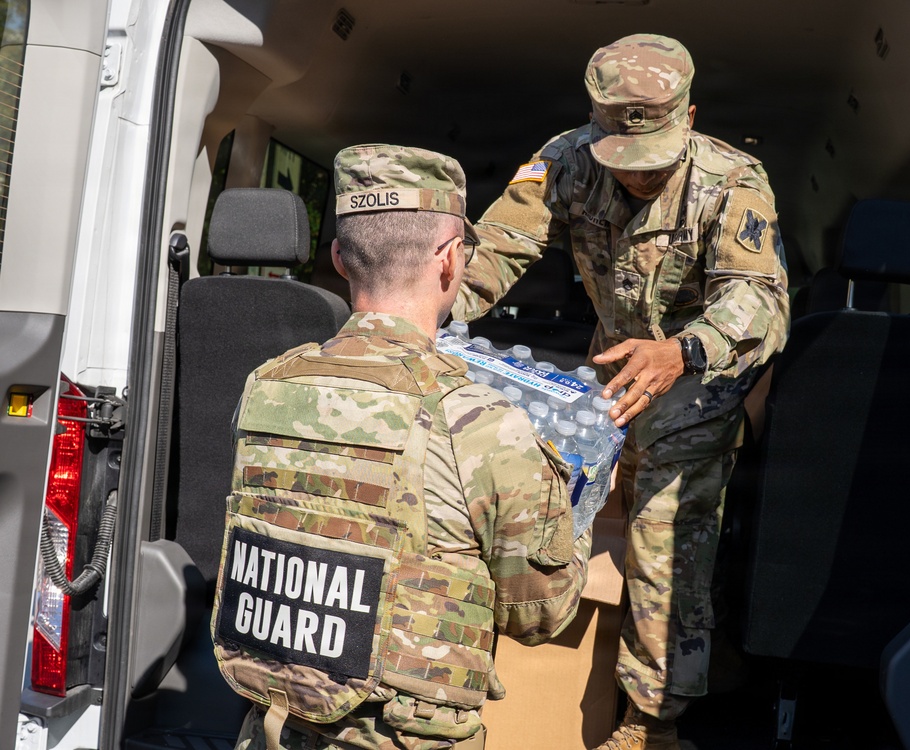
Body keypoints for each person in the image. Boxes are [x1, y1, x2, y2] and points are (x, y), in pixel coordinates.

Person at [451, 34, 790, 750]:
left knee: (664, 541)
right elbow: (499, 249)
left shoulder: (734, 182)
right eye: (621, 160)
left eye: (653, 162)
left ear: (689, 116)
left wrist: (683, 350)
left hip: (699, 387)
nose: (637, 178)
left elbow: (759, 305)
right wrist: (429, 314)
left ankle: (651, 723)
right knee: (567, 519)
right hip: (609, 390)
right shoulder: (566, 158)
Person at [212, 143, 591, 750]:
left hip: (271, 730)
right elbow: (540, 613)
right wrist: (578, 519)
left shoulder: (267, 385)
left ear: (339, 256)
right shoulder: (484, 423)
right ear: (451, 261)